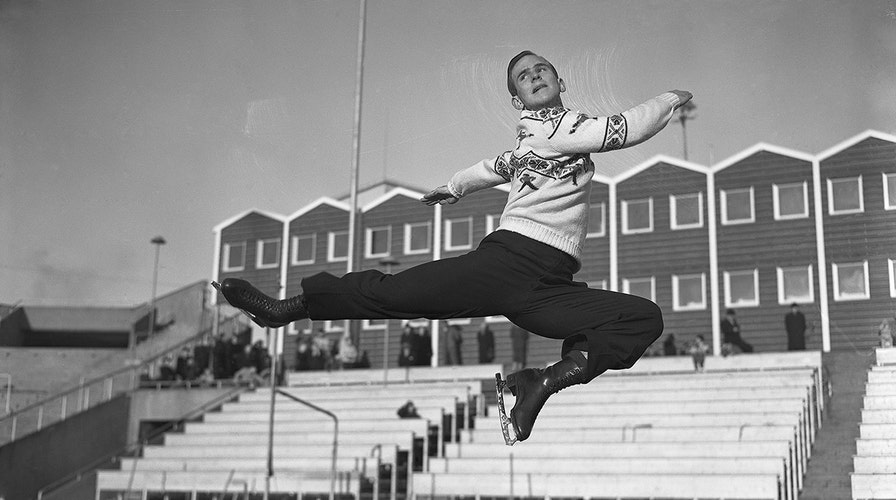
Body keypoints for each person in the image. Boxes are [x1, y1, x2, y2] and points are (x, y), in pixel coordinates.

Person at [215, 50, 690, 444]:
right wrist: (670, 99)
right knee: (394, 293)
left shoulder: (536, 136)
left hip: (547, 285)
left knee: (642, 316)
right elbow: (625, 129)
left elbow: (494, 166)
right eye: (524, 77)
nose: (535, 76)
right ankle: (285, 309)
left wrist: (454, 186)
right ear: (516, 98)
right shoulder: (558, 127)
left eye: (541, 69)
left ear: (559, 78)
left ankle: (541, 382)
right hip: (507, 262)